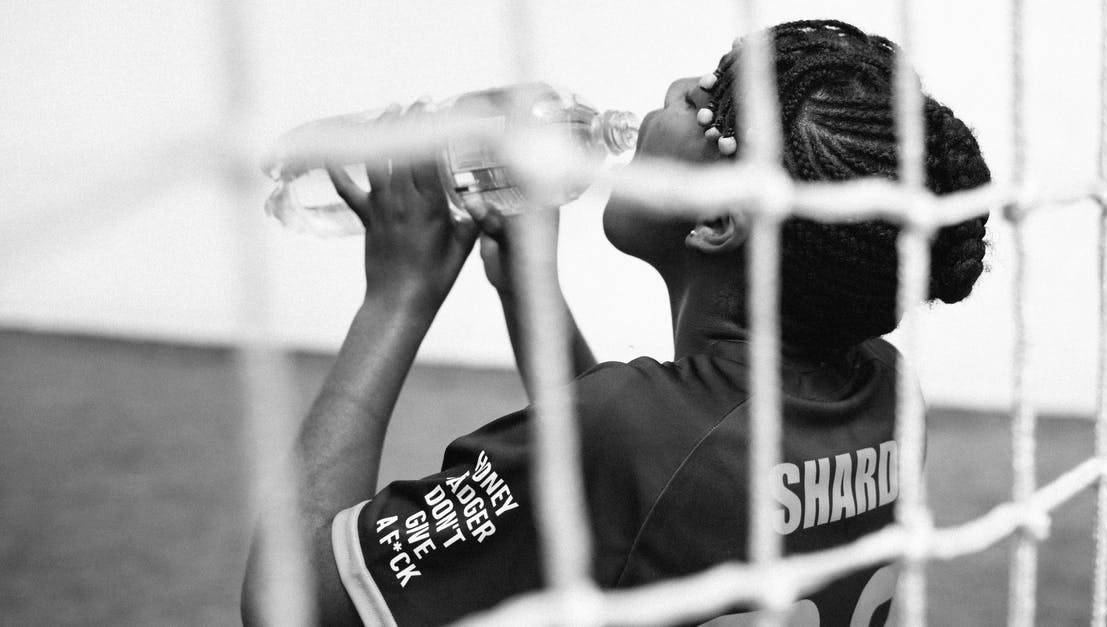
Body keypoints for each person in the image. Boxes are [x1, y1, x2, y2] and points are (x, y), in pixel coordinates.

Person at [242, 19, 990, 627]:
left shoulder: (628, 431)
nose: (673, 92)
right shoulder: (891, 394)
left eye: (711, 96)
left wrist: (396, 297)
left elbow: (290, 604)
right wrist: (532, 290)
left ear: (720, 217)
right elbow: (647, 497)